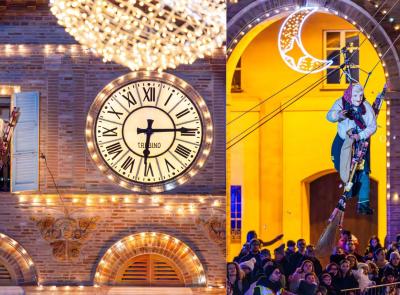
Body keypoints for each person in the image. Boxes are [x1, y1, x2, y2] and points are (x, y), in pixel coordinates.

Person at [327, 83, 377, 215]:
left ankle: (363, 204)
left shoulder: (366, 108)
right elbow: (329, 116)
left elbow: (372, 127)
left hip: (360, 142)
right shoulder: (341, 103)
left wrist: (359, 136)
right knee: (341, 165)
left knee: (364, 170)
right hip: (343, 140)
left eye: (360, 95)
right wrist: (338, 115)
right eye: (355, 95)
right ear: (350, 95)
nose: (358, 98)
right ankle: (348, 190)